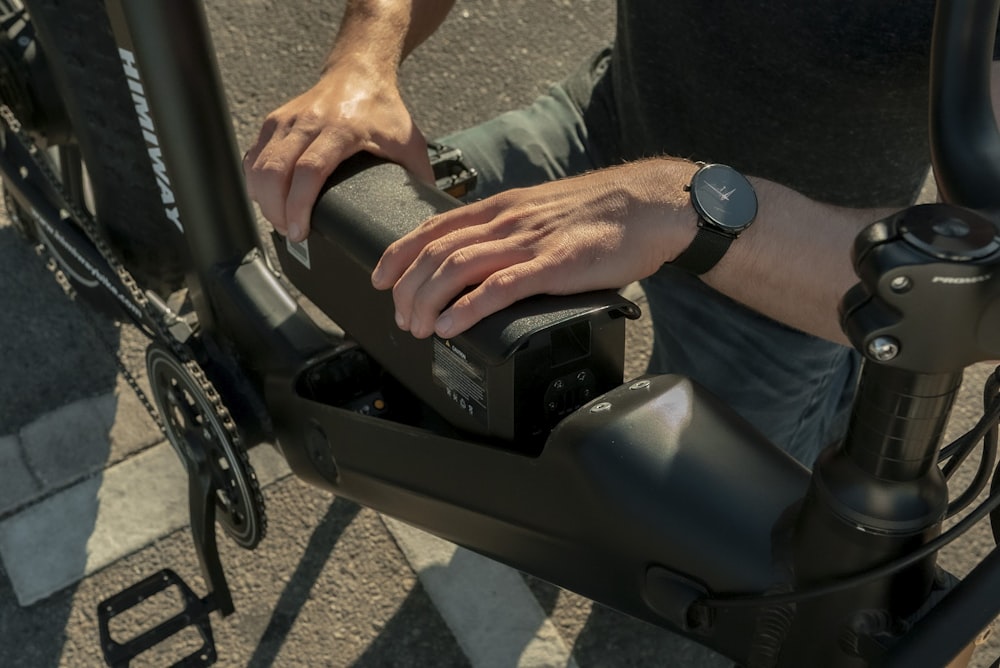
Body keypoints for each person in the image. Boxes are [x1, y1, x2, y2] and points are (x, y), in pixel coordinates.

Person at [243, 0, 1000, 467]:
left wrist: (675, 206)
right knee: (354, 216)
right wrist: (363, 59)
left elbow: (991, 288)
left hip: (799, 251)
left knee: (709, 559)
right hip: (613, 125)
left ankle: (842, 381)